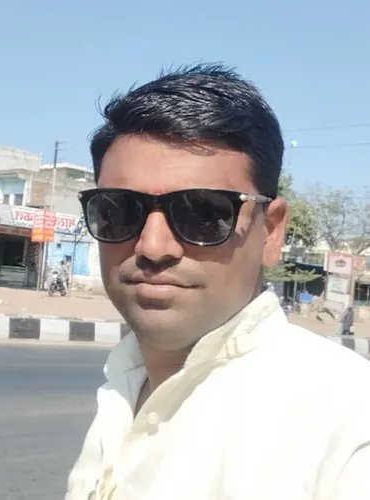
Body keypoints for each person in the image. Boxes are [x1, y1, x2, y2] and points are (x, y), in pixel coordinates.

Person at [65, 64, 370, 500]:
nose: (153, 246)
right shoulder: (123, 387)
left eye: (204, 213)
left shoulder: (348, 423)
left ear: (272, 232)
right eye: (119, 209)